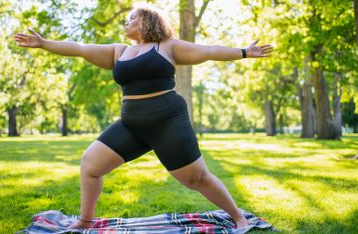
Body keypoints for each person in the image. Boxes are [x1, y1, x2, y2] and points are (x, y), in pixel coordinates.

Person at [14, 6, 273, 230]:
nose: (126, 22)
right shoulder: (119, 51)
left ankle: (239, 218)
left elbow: (207, 51)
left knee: (196, 179)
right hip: (132, 124)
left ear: (148, 21)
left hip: (167, 121)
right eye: (125, 19)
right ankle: (84, 221)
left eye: (132, 17)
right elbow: (80, 49)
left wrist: (244, 52)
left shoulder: (168, 47)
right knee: (90, 166)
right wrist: (44, 43)